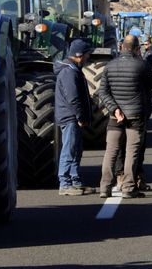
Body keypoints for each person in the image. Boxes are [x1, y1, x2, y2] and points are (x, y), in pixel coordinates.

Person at [98, 35, 152, 198]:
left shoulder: (109, 66)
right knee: (132, 151)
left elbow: (102, 91)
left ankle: (105, 187)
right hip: (136, 114)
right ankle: (129, 187)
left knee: (111, 151)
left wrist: (115, 108)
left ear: (122, 47)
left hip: (114, 116)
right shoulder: (141, 64)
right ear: (138, 49)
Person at [54, 39, 94, 196]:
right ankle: (65, 183)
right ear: (79, 55)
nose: (88, 58)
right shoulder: (69, 72)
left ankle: (75, 181)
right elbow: (73, 98)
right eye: (87, 55)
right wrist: (79, 115)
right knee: (69, 150)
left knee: (76, 149)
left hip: (73, 116)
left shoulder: (73, 70)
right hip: (70, 117)